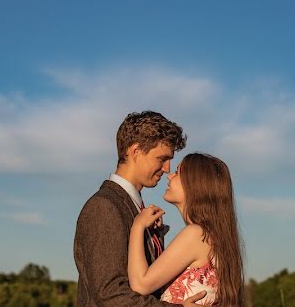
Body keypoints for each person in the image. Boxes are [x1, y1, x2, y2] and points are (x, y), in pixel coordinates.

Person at [74, 111, 207, 307]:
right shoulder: (104, 207)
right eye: (161, 158)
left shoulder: (137, 211)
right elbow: (111, 295)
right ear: (135, 151)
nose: (167, 168)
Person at [127, 153, 243, 306]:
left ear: (195, 184)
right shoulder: (214, 236)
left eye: (178, 172)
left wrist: (137, 226)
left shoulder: (196, 234)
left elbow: (140, 285)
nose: (169, 176)